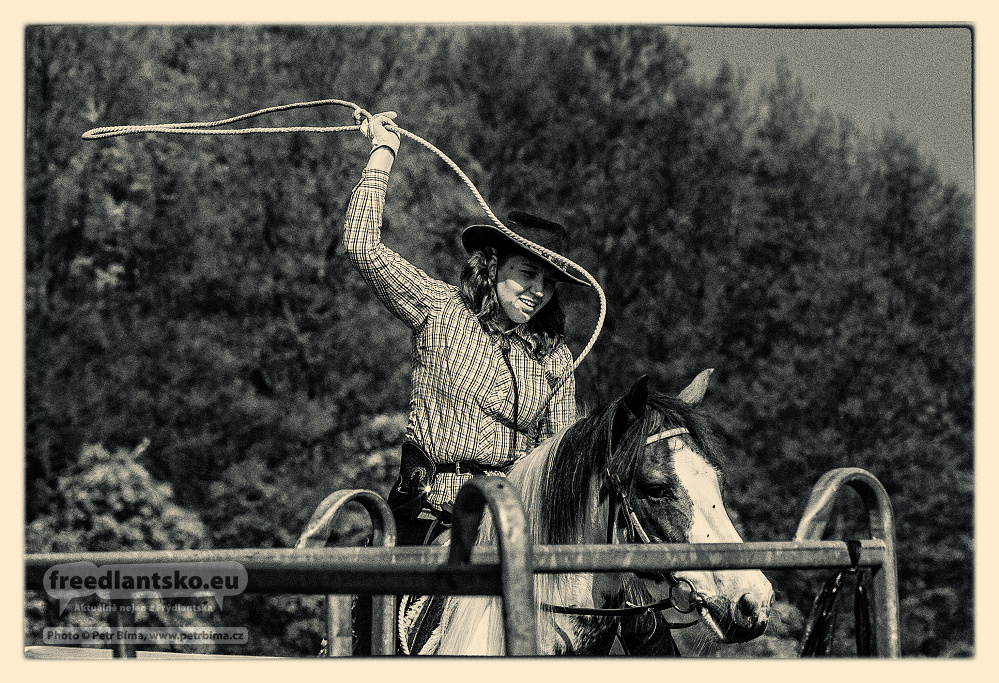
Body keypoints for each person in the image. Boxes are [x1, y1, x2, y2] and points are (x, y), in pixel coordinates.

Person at [342, 112, 591, 545]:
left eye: (549, 283)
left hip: (508, 525)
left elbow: (559, 462)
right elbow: (363, 246)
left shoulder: (554, 357)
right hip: (425, 514)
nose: (538, 291)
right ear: (493, 267)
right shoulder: (439, 308)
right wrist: (384, 150)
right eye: (527, 274)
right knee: (387, 586)